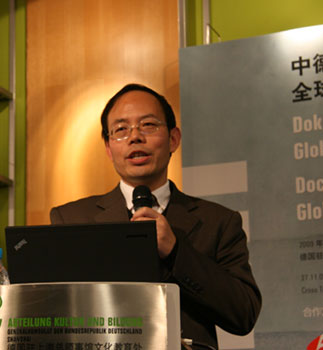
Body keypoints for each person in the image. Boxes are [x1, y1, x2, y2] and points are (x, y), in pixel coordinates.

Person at [50, 83, 262, 349]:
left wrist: (176, 252)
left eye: (148, 125)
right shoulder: (70, 219)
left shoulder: (218, 221)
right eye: (120, 130)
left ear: (173, 139)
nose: (135, 137)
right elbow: (52, 312)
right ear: (108, 148)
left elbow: (243, 314)